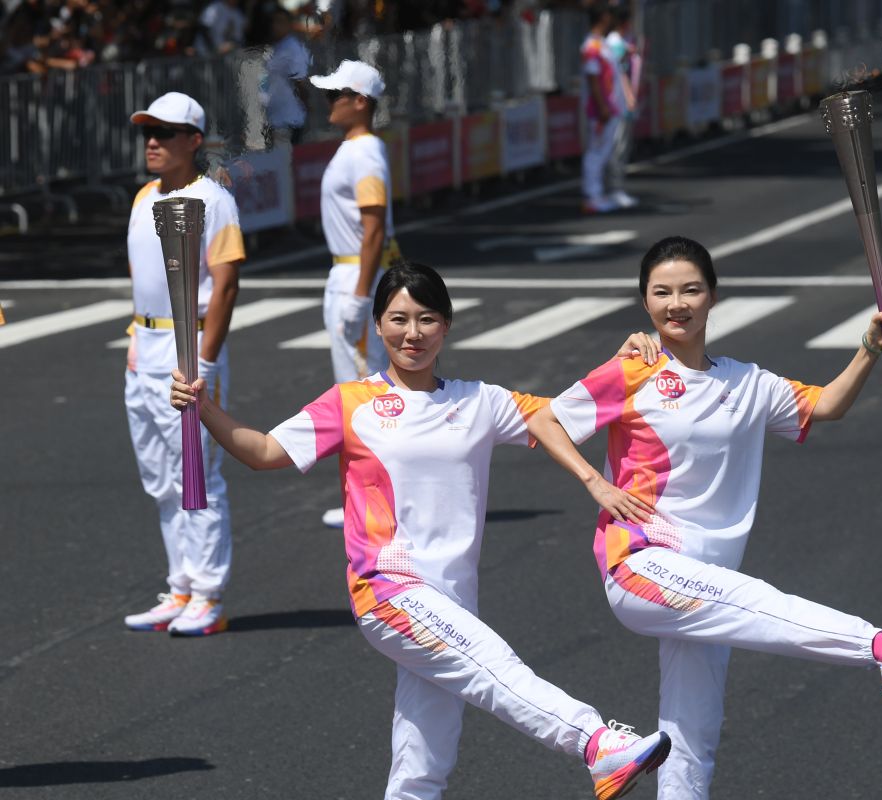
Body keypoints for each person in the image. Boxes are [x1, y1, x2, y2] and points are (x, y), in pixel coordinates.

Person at [169, 262, 671, 800]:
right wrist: (204, 408)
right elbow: (265, 452)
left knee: (425, 760)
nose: (413, 334)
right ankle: (595, 743)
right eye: (398, 319)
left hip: (454, 599)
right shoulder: (351, 403)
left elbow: (571, 414)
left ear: (447, 325)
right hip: (390, 591)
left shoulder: (482, 402)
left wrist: (623, 368)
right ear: (379, 326)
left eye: (427, 319)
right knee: (495, 667)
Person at [527, 236, 882, 799]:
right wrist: (596, 484)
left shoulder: (748, 382)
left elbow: (826, 406)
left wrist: (870, 346)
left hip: (706, 575)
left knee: (693, 731)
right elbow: (547, 421)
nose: (677, 303)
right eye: (661, 292)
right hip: (642, 565)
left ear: (713, 296)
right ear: (645, 303)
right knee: (759, 601)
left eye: (690, 289)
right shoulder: (632, 370)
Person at [122, 92, 244, 636]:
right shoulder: (144, 195)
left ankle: (209, 595)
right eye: (148, 131)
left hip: (186, 350)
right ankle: (180, 586)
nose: (153, 141)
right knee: (161, 479)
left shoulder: (212, 199)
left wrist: (207, 361)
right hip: (143, 349)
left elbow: (226, 283)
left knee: (196, 476)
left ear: (193, 141)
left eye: (166, 133)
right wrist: (134, 335)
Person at [309, 59, 400, 528]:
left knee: (367, 394)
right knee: (359, 390)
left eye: (335, 95)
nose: (329, 103)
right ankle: (370, 499)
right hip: (346, 272)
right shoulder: (354, 149)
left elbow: (373, 226)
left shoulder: (364, 153)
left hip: (355, 275)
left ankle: (376, 504)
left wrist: (361, 295)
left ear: (359, 101)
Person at [580, 5, 625, 214]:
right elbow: (593, 80)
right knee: (596, 153)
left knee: (604, 151)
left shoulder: (602, 45)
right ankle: (592, 196)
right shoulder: (591, 46)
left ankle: (598, 194)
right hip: (599, 111)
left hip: (609, 108)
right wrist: (602, 107)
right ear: (603, 17)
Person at [604, 5, 639, 209]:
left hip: (618, 103)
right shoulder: (614, 45)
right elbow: (621, 74)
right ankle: (614, 190)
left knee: (621, 147)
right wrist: (628, 96)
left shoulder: (619, 43)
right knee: (617, 148)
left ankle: (616, 189)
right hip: (617, 104)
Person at [260, 5, 310, 145]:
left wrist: (305, 105)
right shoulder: (275, 48)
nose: (275, 26)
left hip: (288, 119)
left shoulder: (293, 48)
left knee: (285, 163)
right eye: (274, 22)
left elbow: (300, 81)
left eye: (280, 22)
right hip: (274, 119)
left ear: (289, 24)